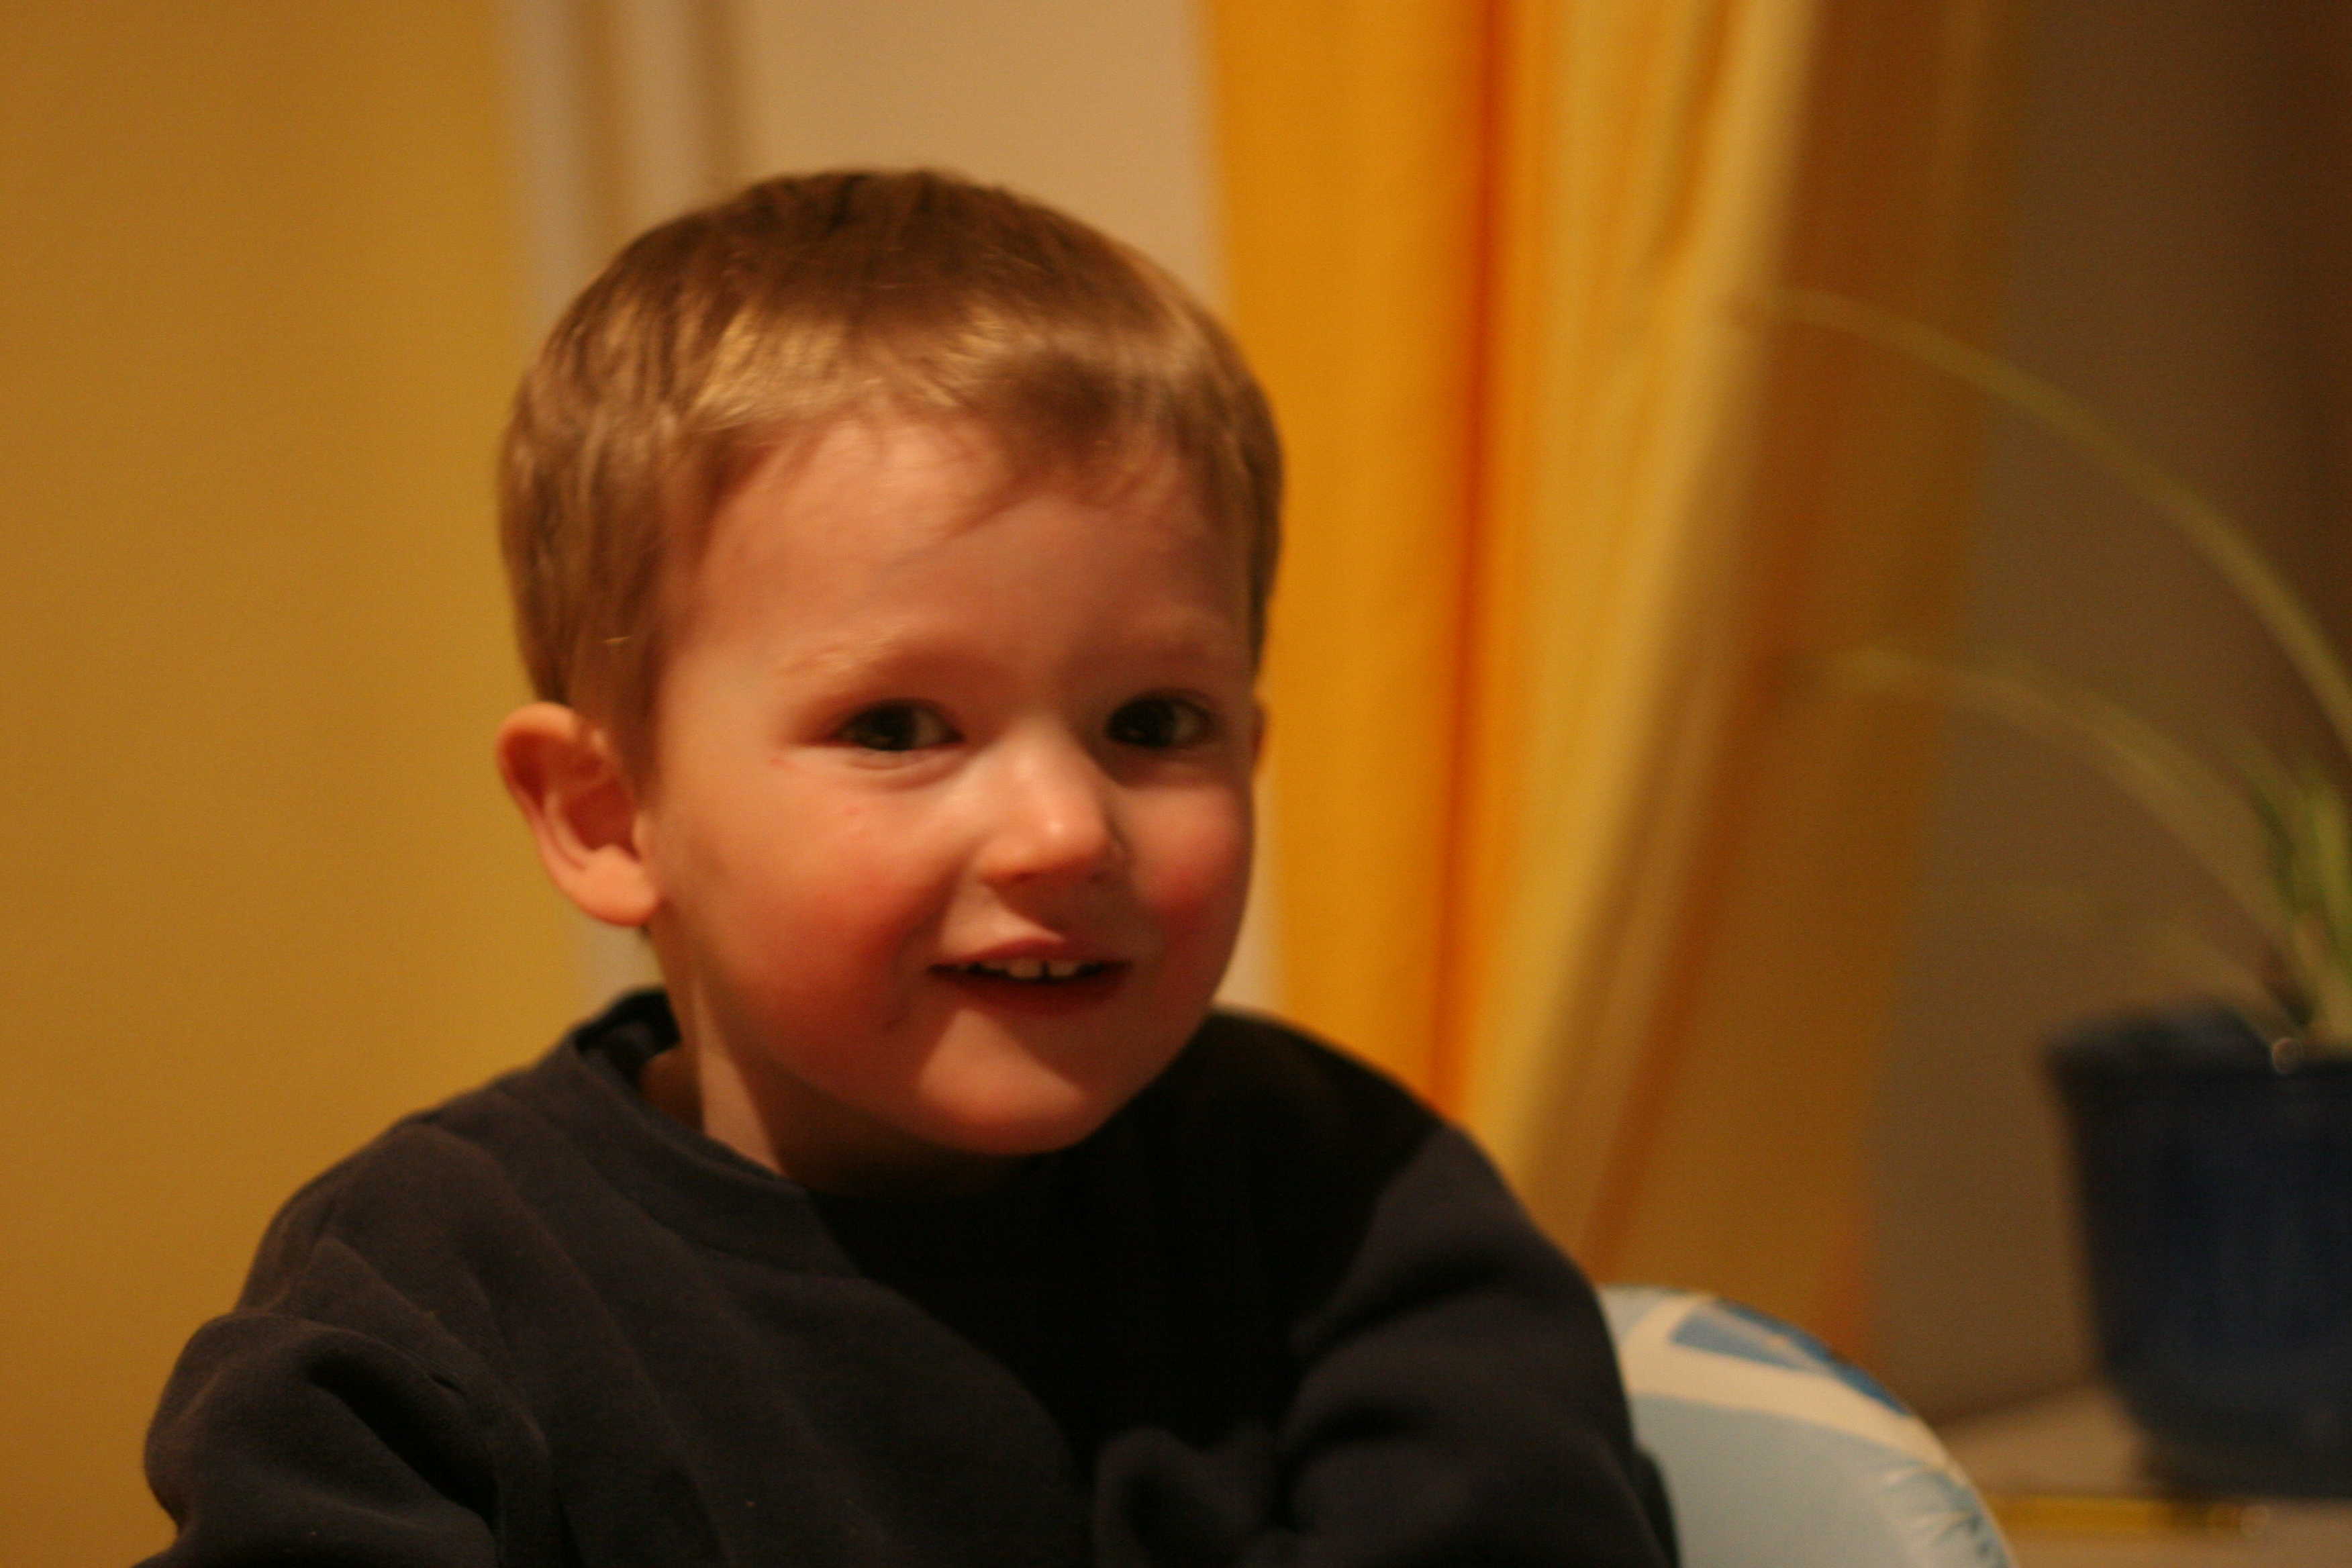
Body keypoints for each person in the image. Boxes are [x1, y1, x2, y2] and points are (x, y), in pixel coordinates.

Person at [140, 168, 1677, 1567]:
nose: (1066, 829)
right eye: (897, 727)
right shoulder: (435, 1288)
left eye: (1154, 722)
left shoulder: (1350, 1203)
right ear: (609, 817)